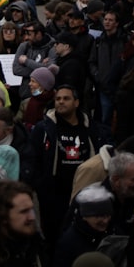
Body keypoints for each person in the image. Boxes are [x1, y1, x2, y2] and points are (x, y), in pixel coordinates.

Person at [29, 85, 100, 244]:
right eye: (58, 99)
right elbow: (34, 158)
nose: (61, 102)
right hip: (53, 194)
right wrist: (41, 185)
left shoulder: (89, 127)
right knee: (53, 238)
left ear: (76, 102)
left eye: (66, 98)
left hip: (83, 191)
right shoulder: (44, 128)